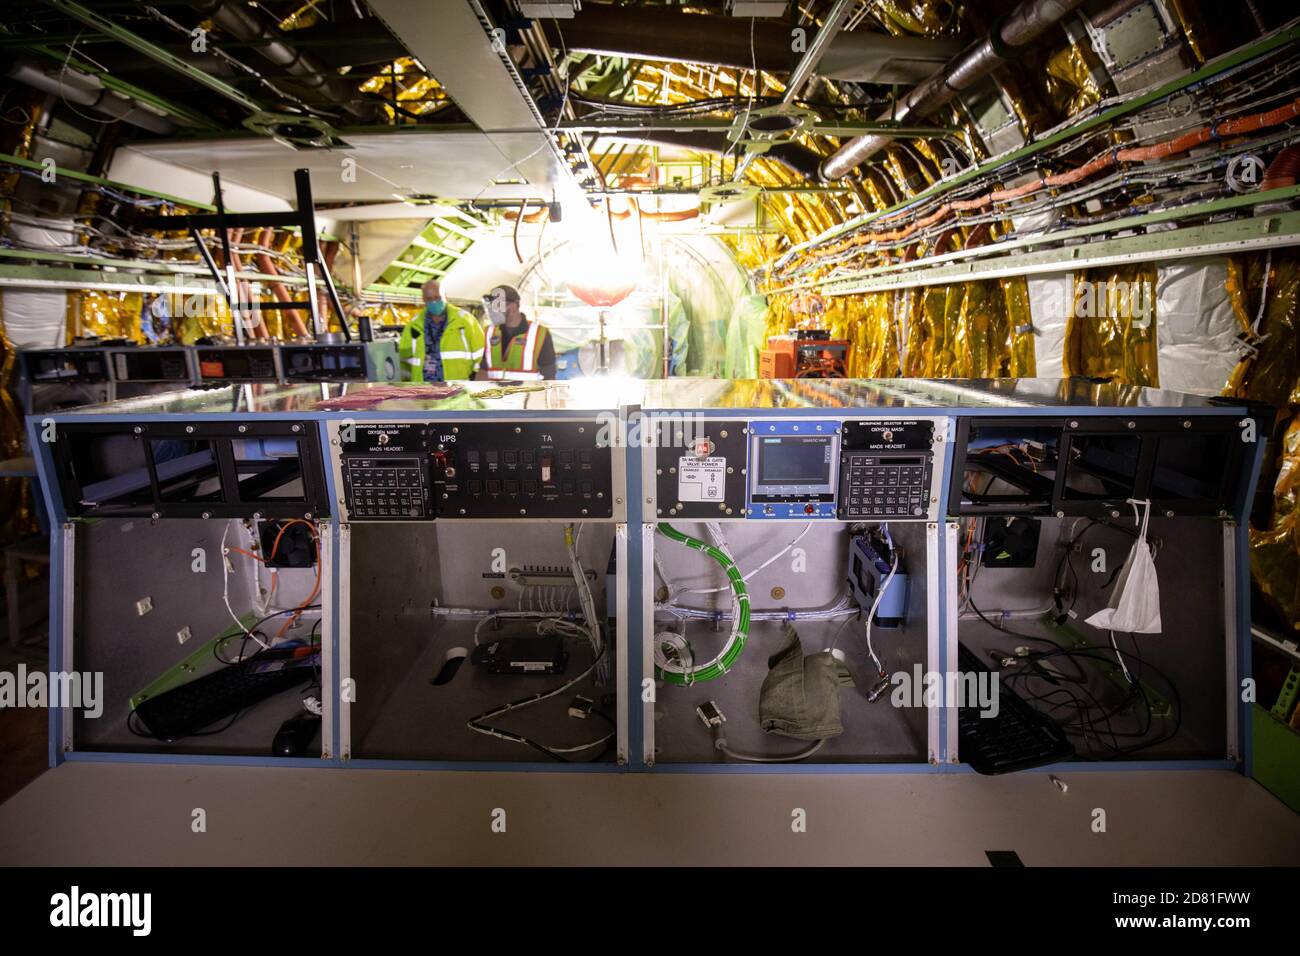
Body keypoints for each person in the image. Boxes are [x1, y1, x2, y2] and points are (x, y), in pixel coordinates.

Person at [397, 280, 485, 382]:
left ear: (445, 296)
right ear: (423, 300)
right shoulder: (414, 325)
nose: (434, 302)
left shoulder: (465, 321)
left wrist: (476, 382)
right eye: (429, 299)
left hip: (456, 387)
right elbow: (404, 360)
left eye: (437, 298)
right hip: (424, 388)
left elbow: (481, 354)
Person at [480, 284, 556, 381]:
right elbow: (482, 368)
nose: (496, 310)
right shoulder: (488, 332)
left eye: (499, 305)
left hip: (526, 394)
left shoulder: (539, 333)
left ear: (515, 304)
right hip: (495, 395)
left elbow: (549, 373)